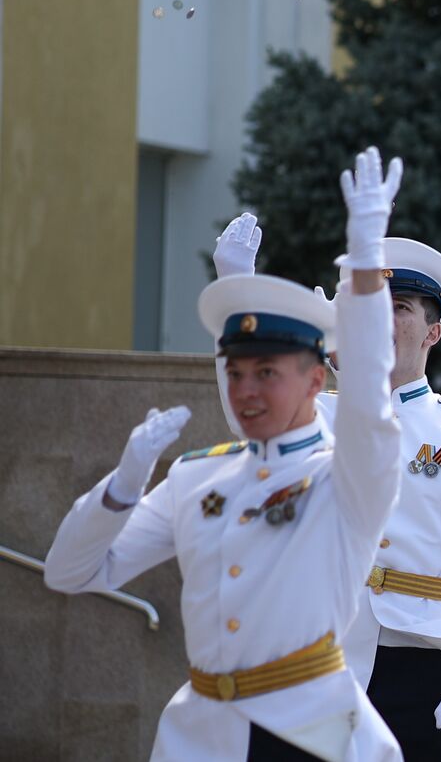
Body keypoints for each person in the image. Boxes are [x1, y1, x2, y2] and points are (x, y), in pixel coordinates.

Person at [45, 146, 405, 761]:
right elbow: (69, 573)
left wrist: (365, 273)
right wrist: (122, 487)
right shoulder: (196, 477)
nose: (245, 391)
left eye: (267, 373)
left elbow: (371, 399)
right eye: (235, 374)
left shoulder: (345, 477)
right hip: (200, 737)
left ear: (318, 381)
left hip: (309, 734)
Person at [212, 219, 441, 758]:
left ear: (433, 332)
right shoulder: (317, 414)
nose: (384, 317)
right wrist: (235, 295)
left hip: (421, 659)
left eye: (401, 307)